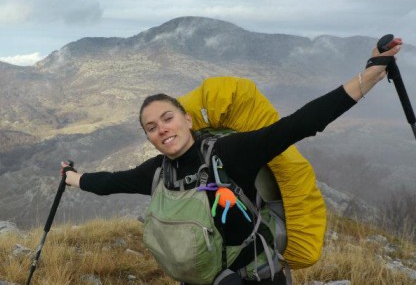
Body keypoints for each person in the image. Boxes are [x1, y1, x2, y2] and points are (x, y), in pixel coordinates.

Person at [62, 38, 404, 285]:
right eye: (151, 127)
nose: (161, 129)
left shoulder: (228, 154)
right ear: (148, 137)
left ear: (187, 119)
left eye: (167, 118)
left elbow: (301, 123)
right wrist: (73, 178)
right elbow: (109, 182)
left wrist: (370, 75)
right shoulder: (157, 172)